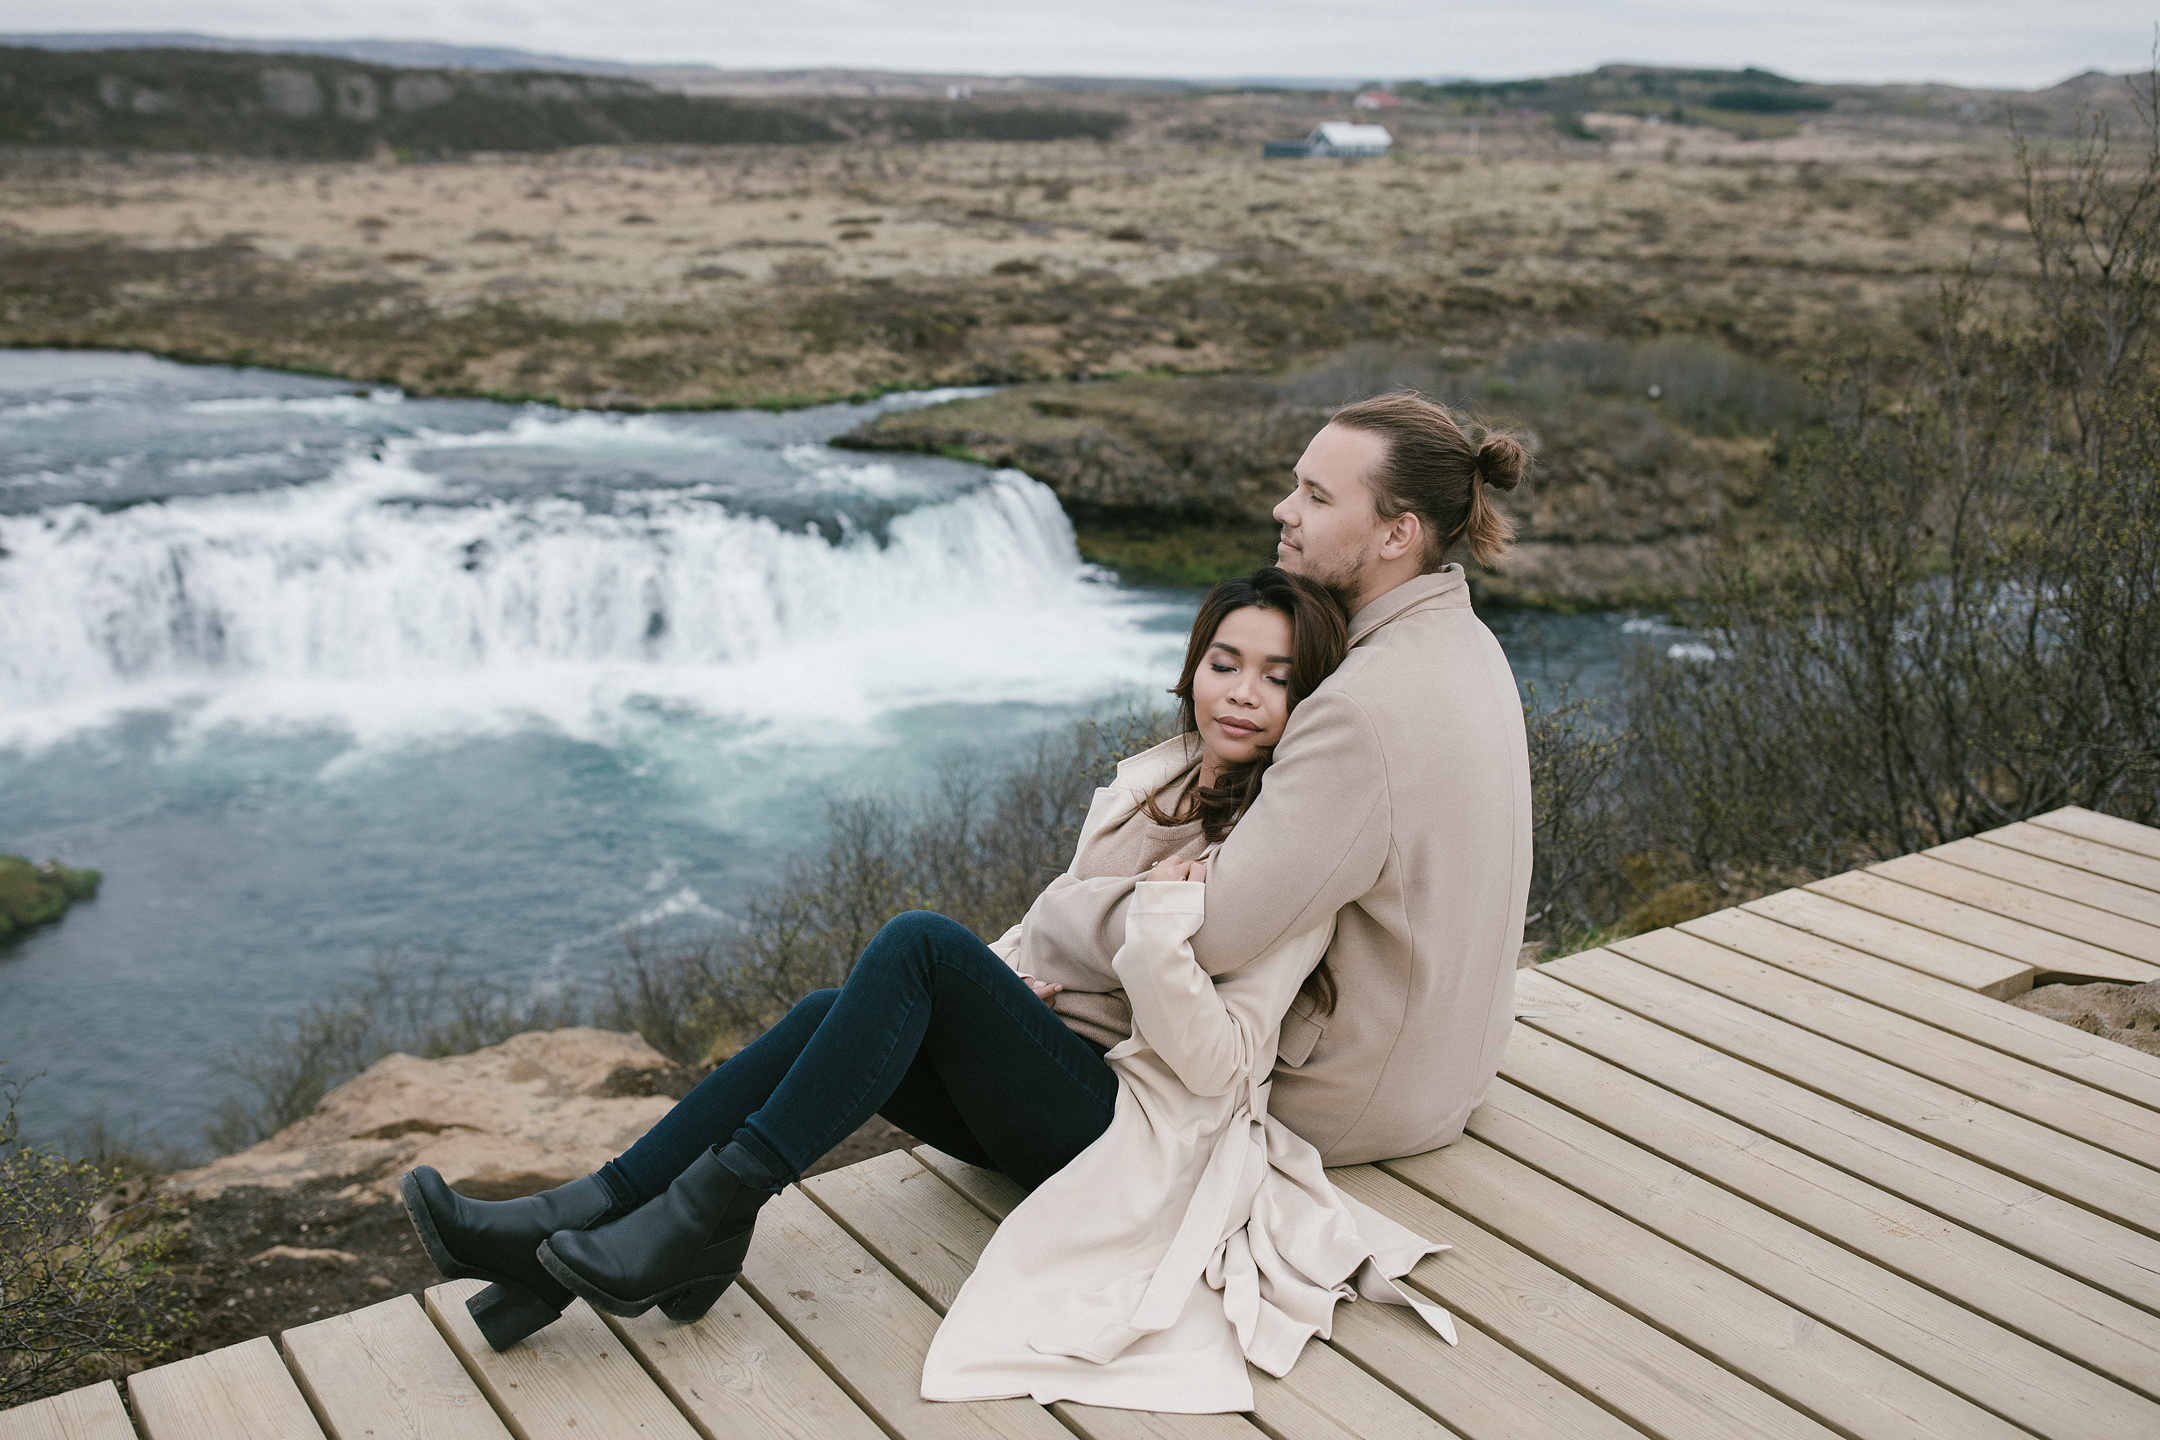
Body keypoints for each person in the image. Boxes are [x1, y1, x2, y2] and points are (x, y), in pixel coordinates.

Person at [397, 567, 1355, 1353]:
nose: (1240, 690)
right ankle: (575, 1229)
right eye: (1224, 662)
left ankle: (695, 1220)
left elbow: (1226, 1064)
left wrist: (1158, 935)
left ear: (1306, 700)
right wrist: (1007, 989)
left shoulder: (1289, 852)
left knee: (917, 943)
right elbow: (1045, 929)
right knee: (833, 1009)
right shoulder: (1163, 781)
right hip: (1054, 1085)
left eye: (1275, 677)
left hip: (1129, 1134)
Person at [1017, 391, 1534, 1165]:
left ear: (1399, 533)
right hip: (1444, 1068)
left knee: (935, 980)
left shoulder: (1360, 705)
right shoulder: (1465, 642)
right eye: (1297, 486)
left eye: (1317, 497)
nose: (1282, 509)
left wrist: (1049, 928)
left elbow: (1217, 932)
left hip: (1342, 1100)